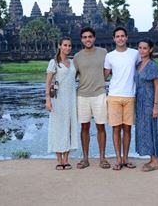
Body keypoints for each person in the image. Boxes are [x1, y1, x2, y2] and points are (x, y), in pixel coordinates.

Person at [73, 27, 110, 169]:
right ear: (81, 40)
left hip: (99, 94)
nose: (87, 39)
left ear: (94, 38)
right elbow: (72, 75)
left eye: (90, 37)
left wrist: (101, 80)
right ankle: (85, 158)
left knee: (101, 126)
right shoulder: (77, 57)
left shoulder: (103, 53)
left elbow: (108, 70)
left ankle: (102, 158)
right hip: (82, 95)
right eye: (84, 37)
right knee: (84, 127)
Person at [104, 27, 140, 170]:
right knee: (115, 129)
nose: (120, 38)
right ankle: (118, 159)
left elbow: (141, 68)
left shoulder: (135, 54)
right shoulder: (109, 56)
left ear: (126, 38)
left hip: (130, 95)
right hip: (114, 96)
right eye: (117, 36)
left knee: (127, 129)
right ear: (114, 39)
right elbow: (105, 74)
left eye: (122, 36)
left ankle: (126, 158)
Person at [45, 37, 78, 170]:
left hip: (71, 99)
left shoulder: (72, 62)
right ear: (59, 46)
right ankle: (59, 159)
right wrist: (48, 99)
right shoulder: (54, 63)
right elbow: (48, 82)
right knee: (58, 127)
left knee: (69, 127)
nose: (68, 48)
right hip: (58, 100)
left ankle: (66, 159)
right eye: (65, 45)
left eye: (69, 46)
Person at [135, 38, 158, 172]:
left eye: (145, 48)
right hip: (139, 103)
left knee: (151, 130)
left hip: (149, 102)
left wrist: (155, 106)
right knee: (143, 130)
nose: (142, 50)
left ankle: (155, 161)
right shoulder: (138, 65)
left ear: (150, 49)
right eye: (140, 48)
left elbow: (157, 87)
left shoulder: (152, 65)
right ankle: (151, 158)